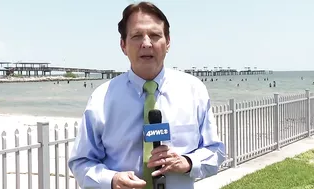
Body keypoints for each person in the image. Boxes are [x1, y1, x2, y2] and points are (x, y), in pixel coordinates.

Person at [68, 2, 226, 189]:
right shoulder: (101, 98)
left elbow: (215, 151)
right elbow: (81, 162)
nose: (146, 43)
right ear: (123, 45)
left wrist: (188, 162)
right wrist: (111, 180)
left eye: (155, 35)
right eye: (136, 36)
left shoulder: (194, 90)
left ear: (168, 42)